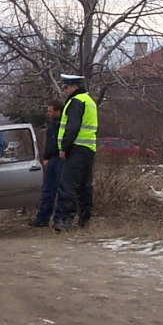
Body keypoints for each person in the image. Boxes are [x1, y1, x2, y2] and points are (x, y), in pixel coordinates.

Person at [53, 74, 98, 232]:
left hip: (76, 149)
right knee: (85, 186)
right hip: (89, 150)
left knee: (68, 186)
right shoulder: (90, 101)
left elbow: (72, 127)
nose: (64, 90)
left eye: (66, 87)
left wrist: (64, 147)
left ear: (74, 86)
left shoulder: (75, 101)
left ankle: (66, 221)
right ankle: (85, 220)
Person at [28, 99, 65, 227]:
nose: (47, 113)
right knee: (47, 189)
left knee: (62, 190)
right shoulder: (52, 124)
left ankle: (59, 219)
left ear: (58, 111)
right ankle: (42, 217)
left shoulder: (65, 124)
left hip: (62, 158)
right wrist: (46, 157)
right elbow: (50, 142)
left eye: (50, 111)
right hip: (52, 158)